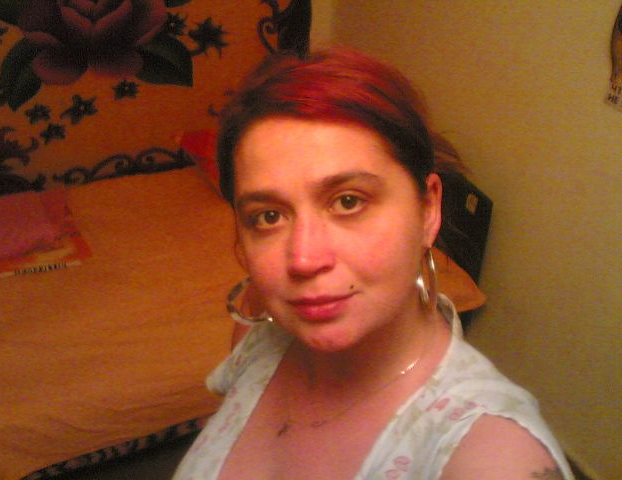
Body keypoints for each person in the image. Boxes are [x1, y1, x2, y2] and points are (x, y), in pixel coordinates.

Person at [173, 48, 574, 479]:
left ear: (428, 209)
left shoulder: (495, 451)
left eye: (348, 201)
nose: (303, 259)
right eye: (269, 216)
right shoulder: (259, 335)